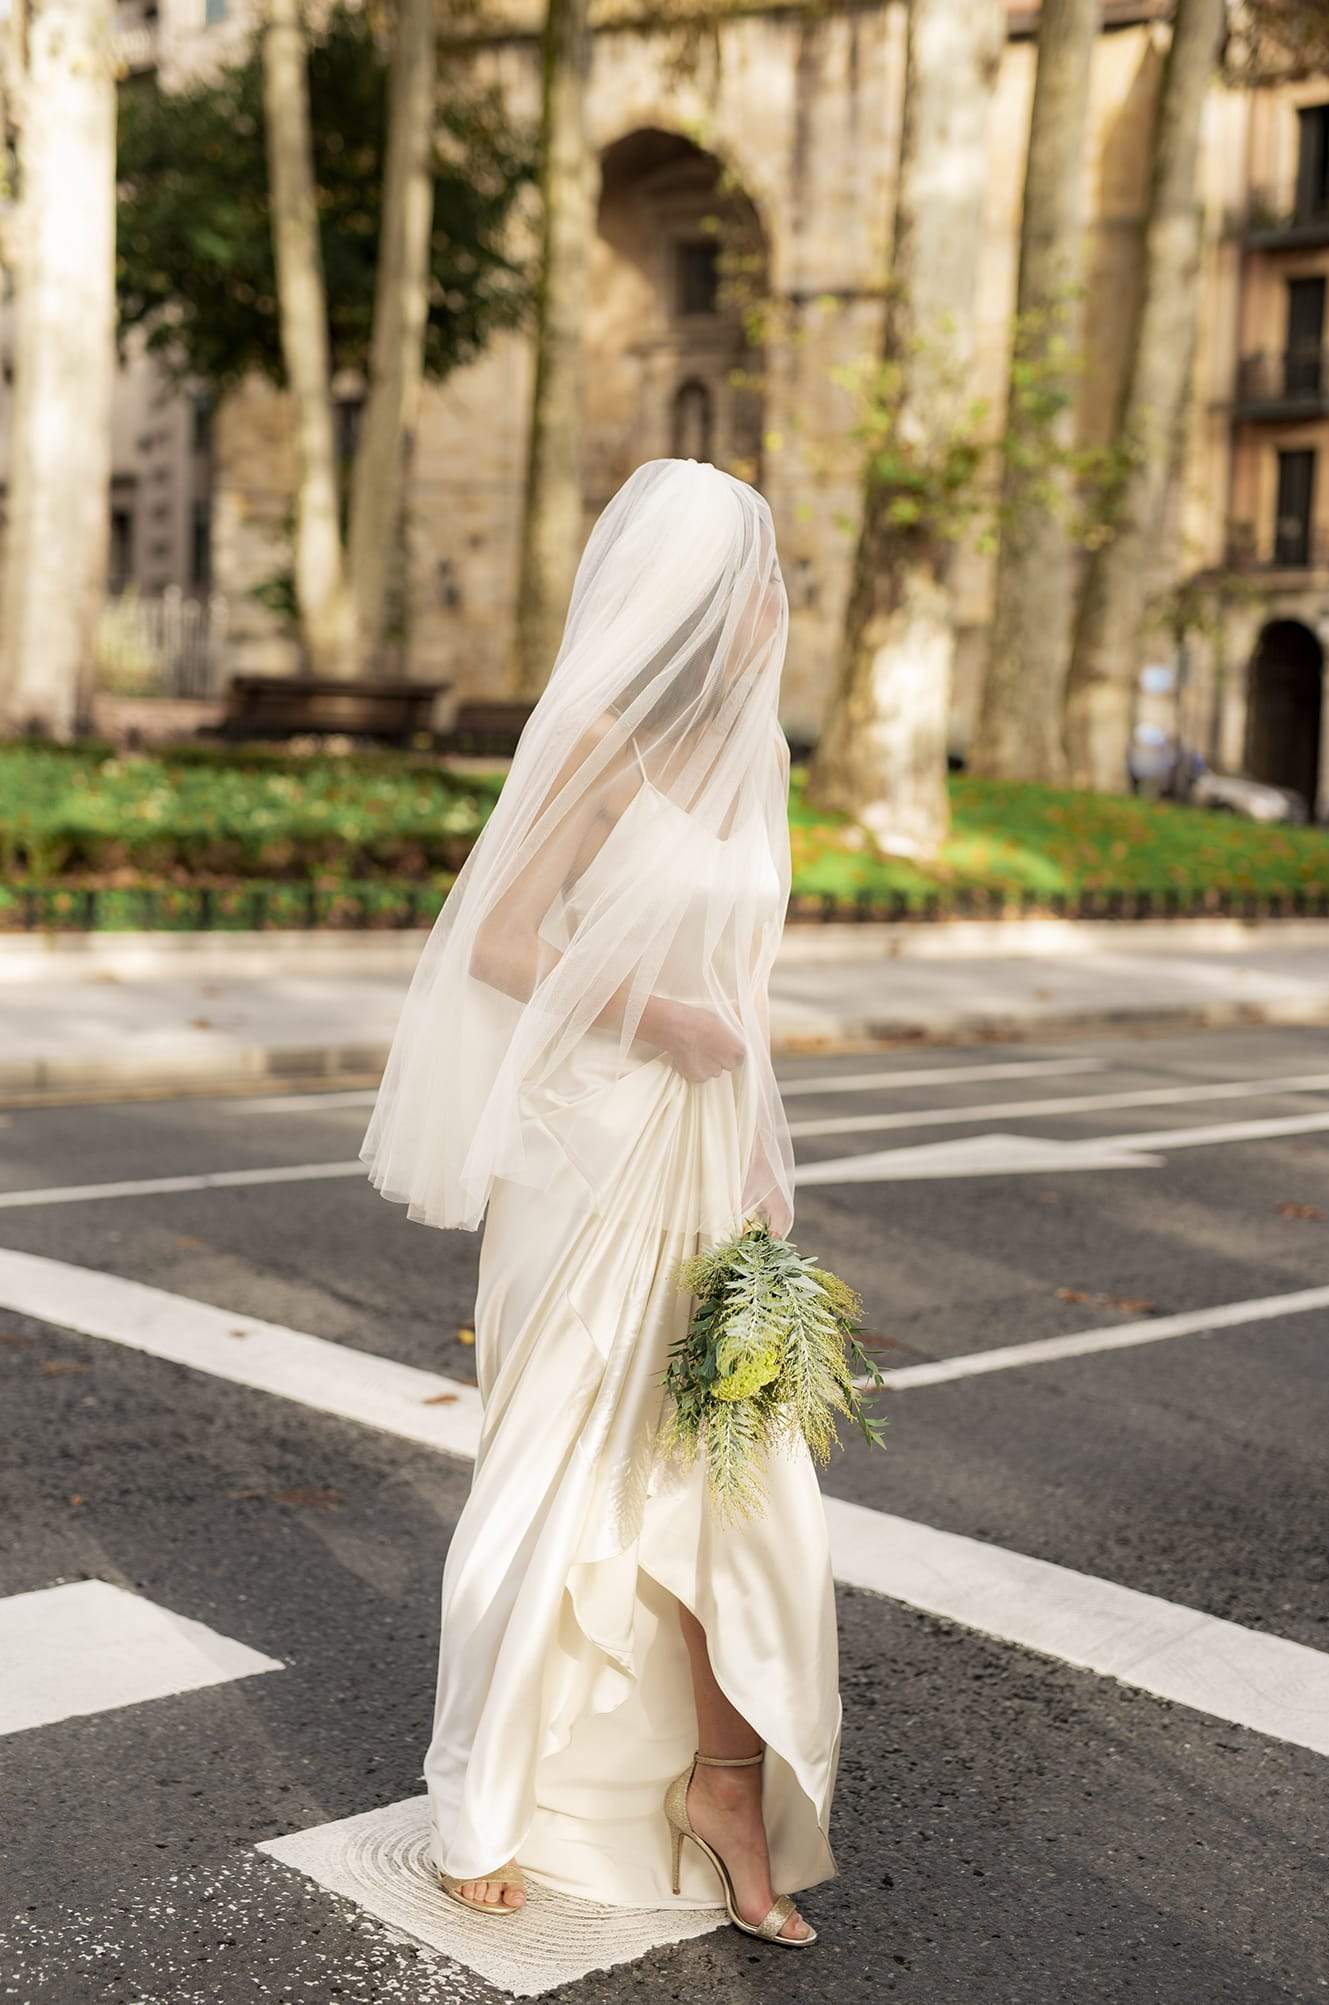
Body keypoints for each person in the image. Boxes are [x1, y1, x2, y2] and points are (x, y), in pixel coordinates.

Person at [360, 458, 841, 1947]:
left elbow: (745, 997)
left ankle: (723, 1779)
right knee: (560, 1459)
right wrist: (664, 1025)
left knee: (729, 1468)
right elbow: (503, 942)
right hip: (591, 1144)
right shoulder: (595, 735)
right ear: (699, 595)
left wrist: (761, 1147)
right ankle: (486, 1796)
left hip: (706, 1153)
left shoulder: (751, 754)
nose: (779, 600)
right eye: (760, 574)